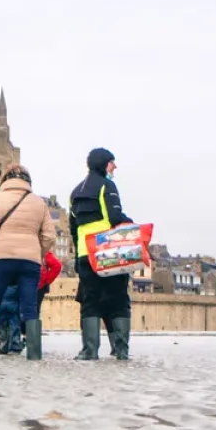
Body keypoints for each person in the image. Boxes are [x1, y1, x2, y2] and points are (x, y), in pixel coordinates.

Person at [0, 165, 53, 360]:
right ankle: (34, 354)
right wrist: (37, 252)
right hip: (30, 262)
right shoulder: (39, 203)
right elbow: (49, 237)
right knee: (30, 307)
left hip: (1, 259)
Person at [70, 147, 133, 361]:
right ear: (103, 163)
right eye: (112, 162)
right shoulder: (108, 186)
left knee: (90, 300)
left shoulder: (76, 192)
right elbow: (115, 217)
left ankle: (89, 350)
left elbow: (73, 227)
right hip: (108, 251)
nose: (114, 167)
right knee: (118, 299)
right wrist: (130, 223)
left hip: (84, 253)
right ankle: (121, 349)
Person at [2, 248, 62, 355]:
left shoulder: (44, 252)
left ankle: (29, 341)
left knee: (29, 314)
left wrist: (46, 280)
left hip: (37, 287)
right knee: (26, 313)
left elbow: (57, 266)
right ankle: (28, 342)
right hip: (27, 285)